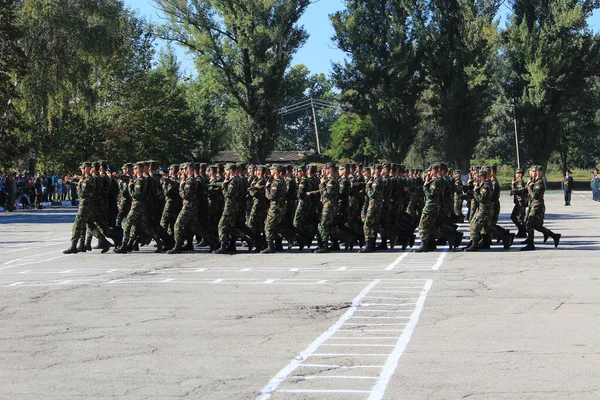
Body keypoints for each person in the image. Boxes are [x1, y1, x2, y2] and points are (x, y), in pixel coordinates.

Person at [521, 165, 561, 251]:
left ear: (538, 172)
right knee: (536, 225)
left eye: (533, 171)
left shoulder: (539, 183)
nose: (531, 173)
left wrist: (529, 188)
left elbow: (535, 196)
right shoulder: (534, 181)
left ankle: (531, 244)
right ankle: (554, 236)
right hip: (533, 205)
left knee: (529, 224)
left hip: (537, 205)